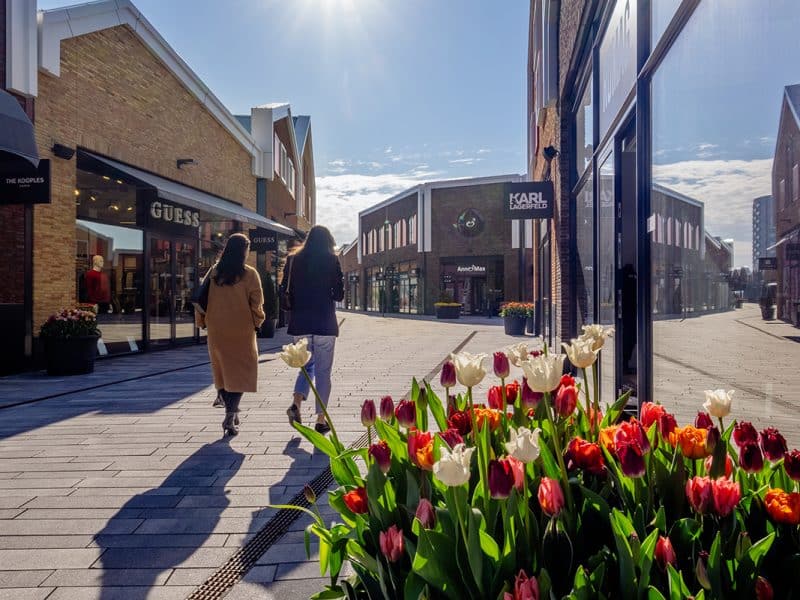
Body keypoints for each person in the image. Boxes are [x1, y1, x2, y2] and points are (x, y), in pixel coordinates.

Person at [196, 233, 265, 436]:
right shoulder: (249, 274)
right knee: (242, 372)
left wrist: (202, 322)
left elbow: (201, 299)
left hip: (217, 328)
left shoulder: (214, 272)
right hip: (241, 329)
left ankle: (230, 411)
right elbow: (257, 303)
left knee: (223, 370)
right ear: (245, 250)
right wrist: (258, 321)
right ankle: (230, 413)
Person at [285, 225, 345, 434]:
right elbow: (338, 295)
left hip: (300, 322)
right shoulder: (331, 260)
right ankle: (321, 419)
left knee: (305, 366)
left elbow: (285, 289)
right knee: (323, 372)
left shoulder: (293, 260)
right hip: (324, 322)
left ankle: (296, 404)